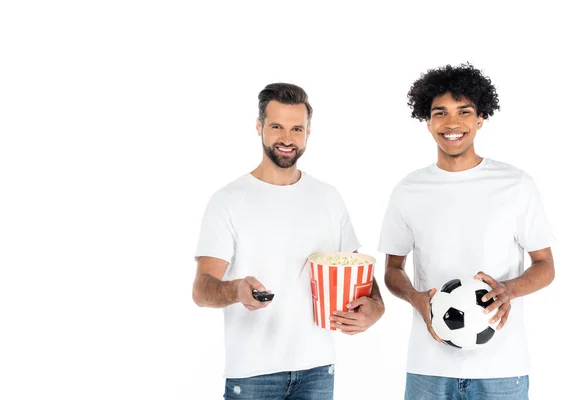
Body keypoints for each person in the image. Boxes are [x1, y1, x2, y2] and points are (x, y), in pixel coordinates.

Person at [193, 83, 384, 400]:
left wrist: (376, 307)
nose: (287, 138)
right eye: (276, 126)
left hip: (318, 369)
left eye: (297, 128)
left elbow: (357, 269)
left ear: (309, 132)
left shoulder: (328, 197)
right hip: (253, 373)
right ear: (259, 127)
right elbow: (201, 290)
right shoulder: (228, 201)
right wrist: (235, 289)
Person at [379, 64, 555, 399]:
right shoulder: (408, 190)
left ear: (480, 118)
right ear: (428, 122)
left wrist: (509, 290)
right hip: (428, 369)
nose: (452, 123)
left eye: (464, 111)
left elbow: (546, 265)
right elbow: (392, 269)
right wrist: (416, 298)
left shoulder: (515, 184)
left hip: (503, 369)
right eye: (440, 113)